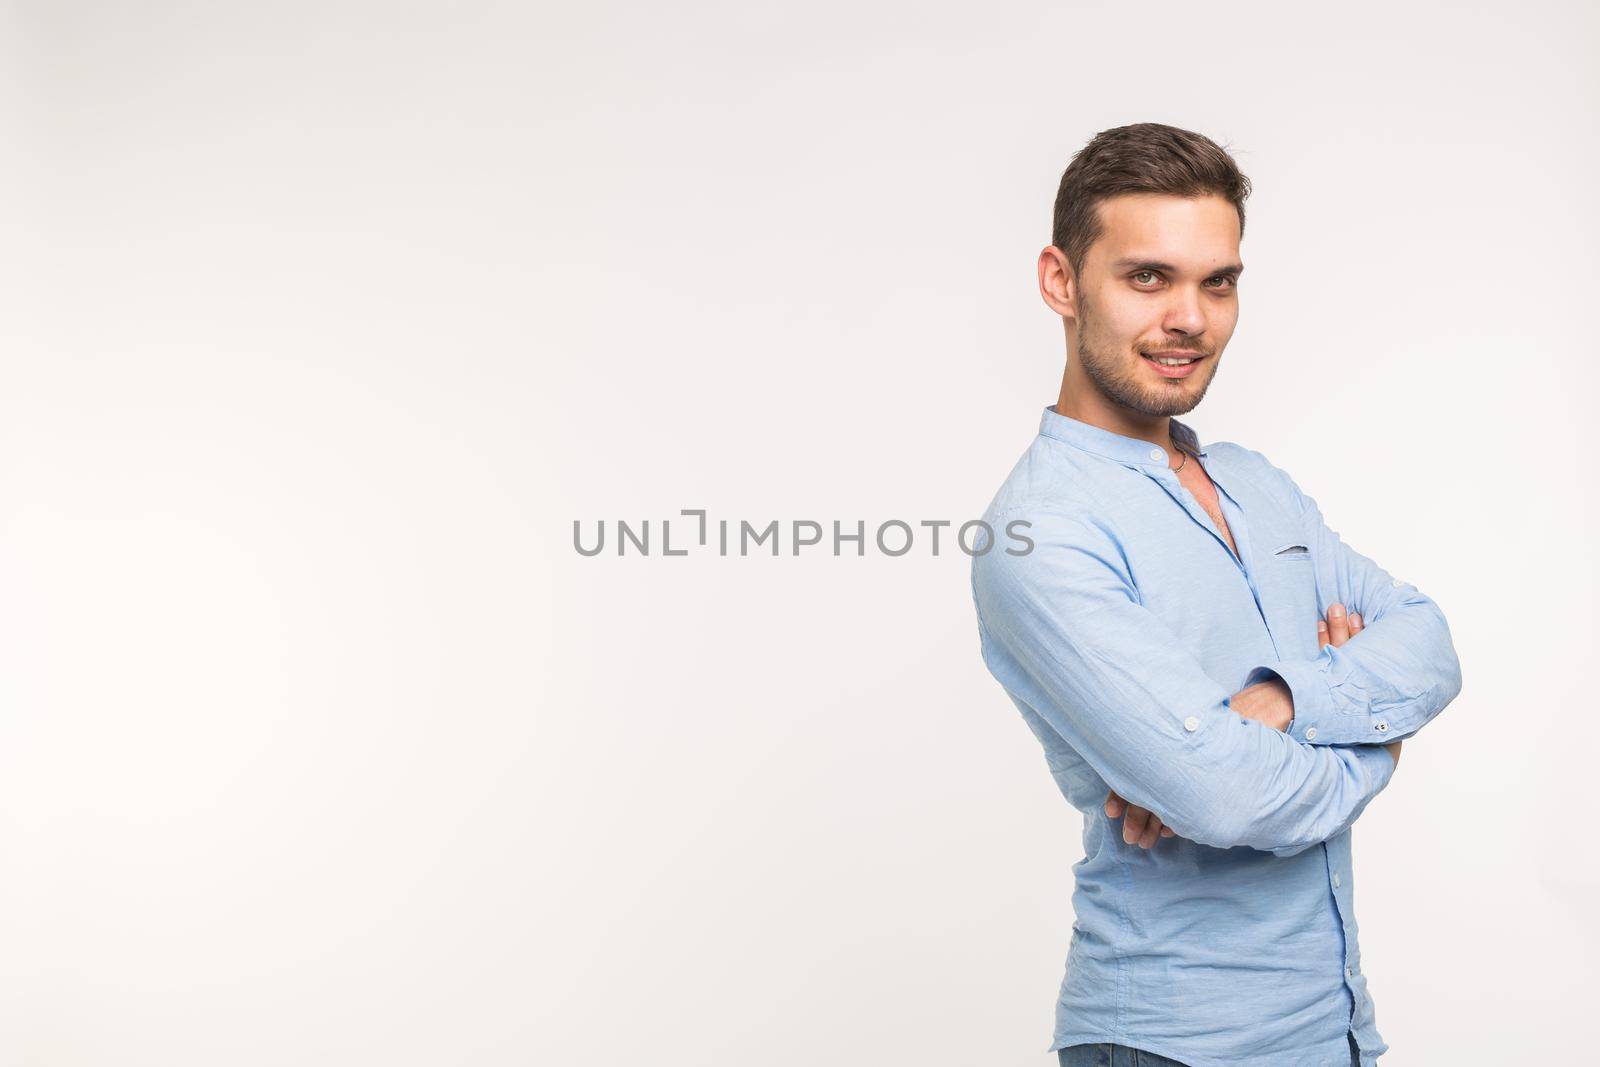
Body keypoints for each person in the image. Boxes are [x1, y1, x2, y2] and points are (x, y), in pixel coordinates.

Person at [968, 123, 1463, 1067]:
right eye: (1147, 277)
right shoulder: (1041, 533)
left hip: (1335, 1024)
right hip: (1177, 1043)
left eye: (1218, 281)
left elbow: (1430, 640)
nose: (1189, 317)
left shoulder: (1256, 481)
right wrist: (1381, 734)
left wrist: (1282, 700)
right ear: (1061, 282)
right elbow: (1232, 800)